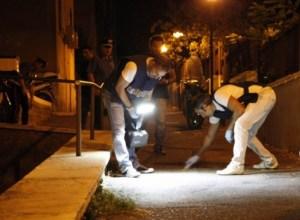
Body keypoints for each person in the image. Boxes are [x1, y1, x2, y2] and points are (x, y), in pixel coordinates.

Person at [184, 82, 279, 175]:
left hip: (264, 95)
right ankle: (270, 161)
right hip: (259, 100)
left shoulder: (219, 96)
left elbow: (239, 110)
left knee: (240, 125)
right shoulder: (214, 114)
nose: (199, 115)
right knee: (247, 134)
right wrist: (197, 155)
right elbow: (209, 137)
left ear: (204, 107)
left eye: (199, 112)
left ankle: (237, 165)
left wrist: (229, 129)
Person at [103, 53, 171, 178]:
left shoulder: (156, 74)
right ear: (153, 63)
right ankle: (125, 167)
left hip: (131, 99)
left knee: (133, 129)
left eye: (159, 77)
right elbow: (119, 88)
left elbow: (148, 93)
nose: (156, 77)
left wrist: (142, 112)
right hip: (114, 95)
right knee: (119, 130)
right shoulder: (133, 66)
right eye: (156, 74)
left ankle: (134, 163)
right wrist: (130, 108)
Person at [149, 35, 176, 155]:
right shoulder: (147, 59)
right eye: (155, 46)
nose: (157, 49)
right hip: (147, 93)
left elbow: (173, 76)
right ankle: (135, 147)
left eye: (160, 46)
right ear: (151, 46)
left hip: (160, 94)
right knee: (142, 120)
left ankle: (159, 146)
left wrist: (166, 81)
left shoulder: (166, 60)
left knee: (161, 121)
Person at [81, 41, 114, 129]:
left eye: (109, 47)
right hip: (97, 89)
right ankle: (89, 128)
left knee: (102, 111)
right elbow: (90, 73)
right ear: (101, 48)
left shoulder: (110, 60)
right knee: (94, 109)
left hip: (106, 89)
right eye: (105, 47)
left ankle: (100, 128)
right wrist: (95, 87)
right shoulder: (96, 59)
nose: (107, 49)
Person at [17, 57, 47, 124]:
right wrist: (23, 87)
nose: (40, 68)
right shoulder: (27, 66)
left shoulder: (33, 72)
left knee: (25, 106)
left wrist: (31, 99)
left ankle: (24, 124)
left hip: (23, 89)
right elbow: (20, 76)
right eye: (40, 66)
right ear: (37, 63)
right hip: (17, 87)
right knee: (16, 106)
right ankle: (13, 123)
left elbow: (31, 85)